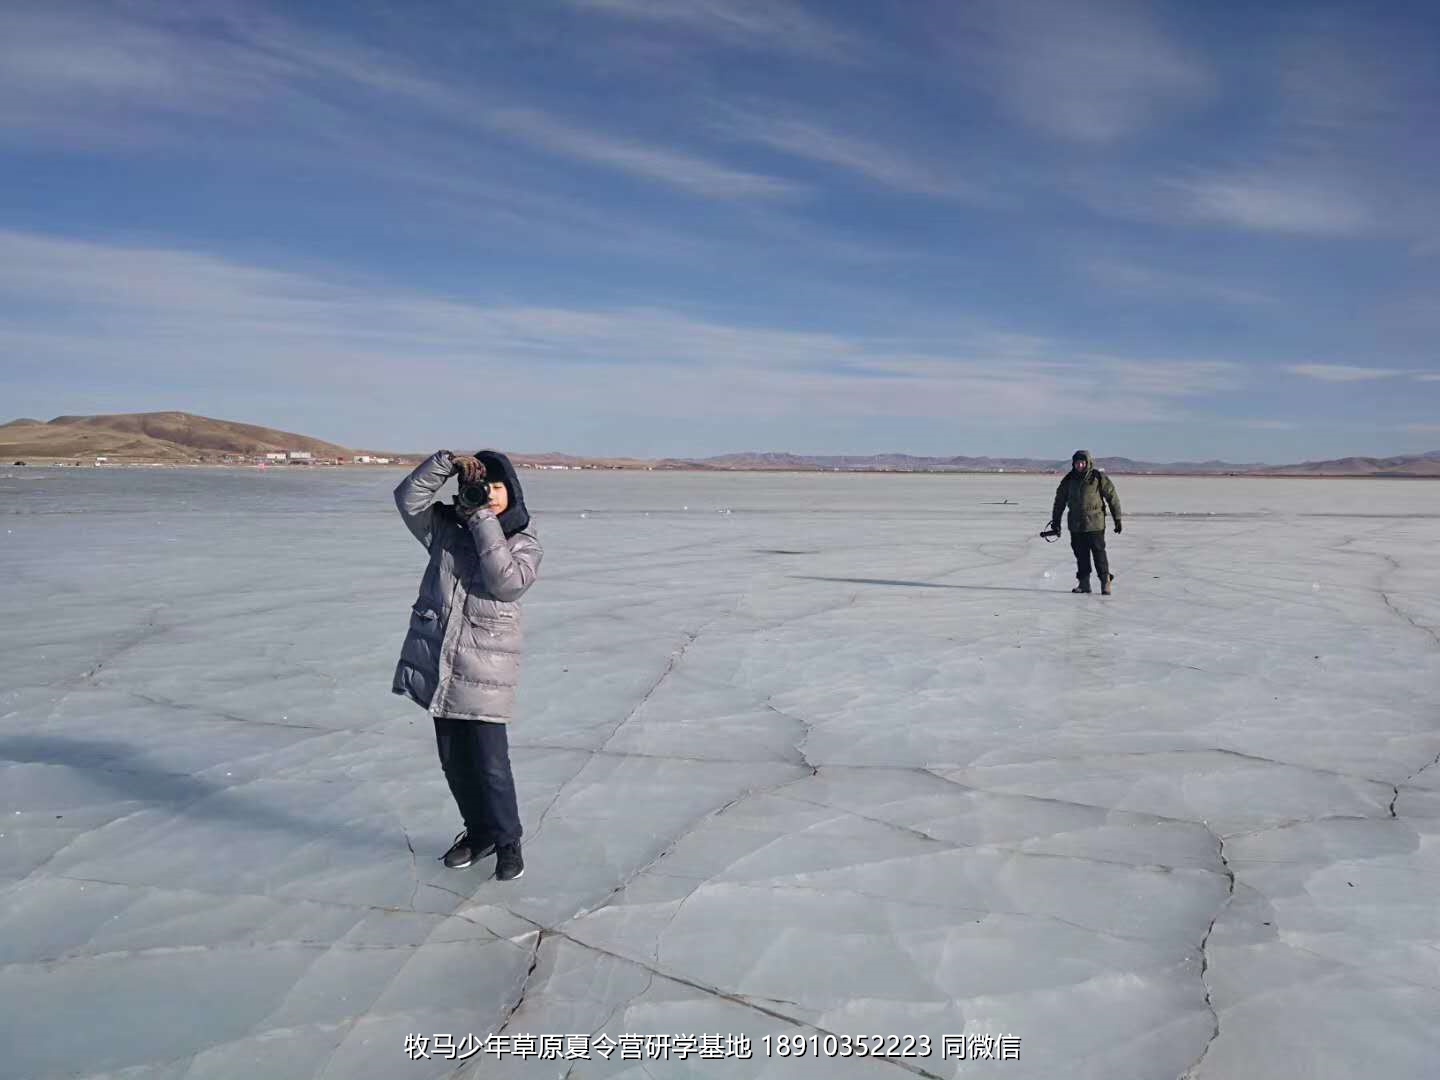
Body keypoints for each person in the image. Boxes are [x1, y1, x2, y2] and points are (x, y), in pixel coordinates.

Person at [393, 449, 542, 879]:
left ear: (512, 492)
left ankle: (508, 840)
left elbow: (507, 582)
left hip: (486, 670)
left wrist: (481, 520)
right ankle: (478, 834)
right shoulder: (443, 529)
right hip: (440, 662)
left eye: (498, 489)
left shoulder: (525, 541)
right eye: (481, 487)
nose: (489, 496)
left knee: (492, 766)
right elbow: (408, 499)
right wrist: (443, 464)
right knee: (455, 762)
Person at [1047, 450, 1122, 595]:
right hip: (1076, 524)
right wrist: (1056, 521)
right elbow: (1059, 501)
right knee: (1081, 555)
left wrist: (1117, 518)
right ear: (1073, 464)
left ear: (1088, 463)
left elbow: (1112, 497)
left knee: (1099, 553)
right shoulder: (1068, 480)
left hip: (1095, 523)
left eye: (1082, 462)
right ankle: (1084, 583)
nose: (1080, 465)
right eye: (1077, 463)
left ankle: (1105, 581)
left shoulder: (1098, 477)